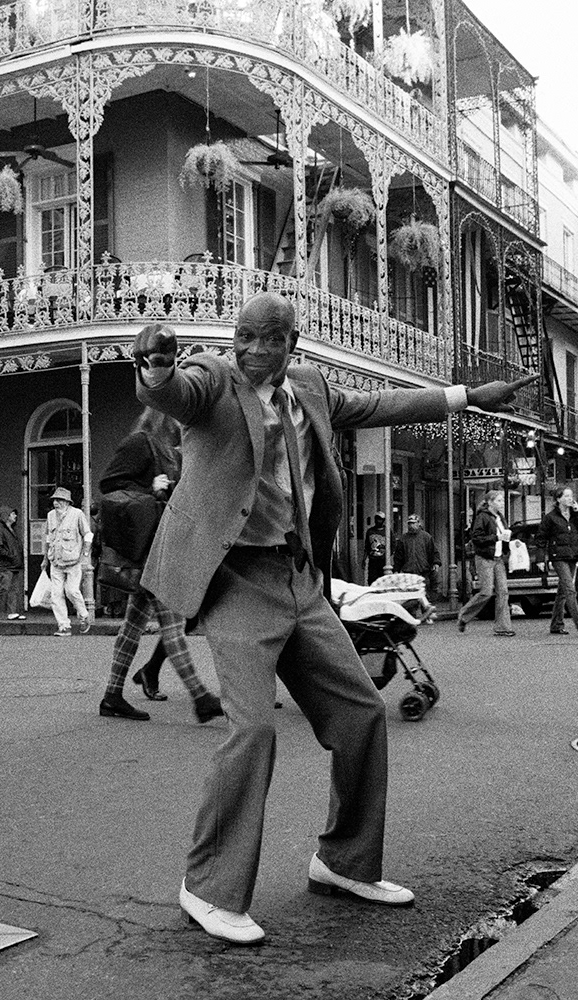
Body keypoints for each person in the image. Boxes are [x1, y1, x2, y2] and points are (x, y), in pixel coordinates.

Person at [133, 292, 537, 944]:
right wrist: (155, 369)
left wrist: (469, 396)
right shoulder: (214, 380)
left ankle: (343, 861)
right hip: (237, 580)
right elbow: (176, 392)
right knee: (254, 731)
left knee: (360, 714)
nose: (256, 350)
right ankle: (207, 887)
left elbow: (381, 404)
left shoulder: (310, 388)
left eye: (272, 340)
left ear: (296, 345)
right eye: (247, 336)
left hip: (302, 580)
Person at [97, 407, 222, 724]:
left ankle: (112, 695)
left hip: (158, 545)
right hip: (151, 548)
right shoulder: (140, 443)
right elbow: (109, 485)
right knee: (172, 622)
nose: (183, 423)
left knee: (133, 625)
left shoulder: (167, 450)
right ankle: (200, 696)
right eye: (179, 417)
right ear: (165, 417)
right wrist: (151, 489)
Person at [536, 486, 578, 637]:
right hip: (558, 557)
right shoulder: (550, 518)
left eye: (571, 496)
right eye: (567, 496)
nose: (570, 498)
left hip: (572, 556)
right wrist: (540, 559)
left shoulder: (575, 516)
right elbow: (541, 538)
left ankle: (556, 625)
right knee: (570, 589)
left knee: (562, 593)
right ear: (558, 499)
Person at [456, 490, 515, 636]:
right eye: (499, 501)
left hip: (498, 558)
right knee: (486, 592)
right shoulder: (482, 517)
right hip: (485, 558)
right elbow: (476, 538)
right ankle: (464, 616)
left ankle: (503, 627)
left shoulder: (500, 517)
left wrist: (509, 542)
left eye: (502, 500)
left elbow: (503, 537)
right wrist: (497, 537)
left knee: (503, 592)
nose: (502, 503)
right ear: (490, 502)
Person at [43, 487, 91, 636]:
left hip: (73, 561)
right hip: (55, 561)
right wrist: (45, 558)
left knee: (71, 591)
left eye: (59, 500)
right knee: (56, 595)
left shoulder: (77, 514)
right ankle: (64, 626)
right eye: (54, 500)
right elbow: (47, 538)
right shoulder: (50, 516)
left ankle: (84, 615)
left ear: (67, 502)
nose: (56, 503)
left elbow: (88, 534)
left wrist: (85, 553)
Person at [0, 506, 25, 620]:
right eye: (12, 514)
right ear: (6, 516)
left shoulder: (11, 529)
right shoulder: (0, 530)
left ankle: (12, 612)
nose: (15, 516)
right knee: (4, 587)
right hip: (6, 564)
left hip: (14, 564)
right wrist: (11, 556)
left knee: (13, 589)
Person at [392, 514, 441, 599]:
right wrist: (396, 569)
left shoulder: (426, 537)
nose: (411, 525)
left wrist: (436, 563)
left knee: (424, 596)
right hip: (409, 573)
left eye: (413, 523)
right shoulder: (403, 539)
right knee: (411, 598)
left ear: (418, 523)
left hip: (423, 572)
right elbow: (398, 556)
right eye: (409, 523)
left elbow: (433, 552)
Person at [363, 512, 387, 583]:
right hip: (373, 560)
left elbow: (393, 545)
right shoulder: (370, 531)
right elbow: (367, 546)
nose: (378, 521)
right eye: (377, 519)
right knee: (372, 579)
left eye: (380, 519)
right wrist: (364, 559)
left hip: (383, 560)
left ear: (383, 520)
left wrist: (387, 555)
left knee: (382, 580)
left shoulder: (387, 531)